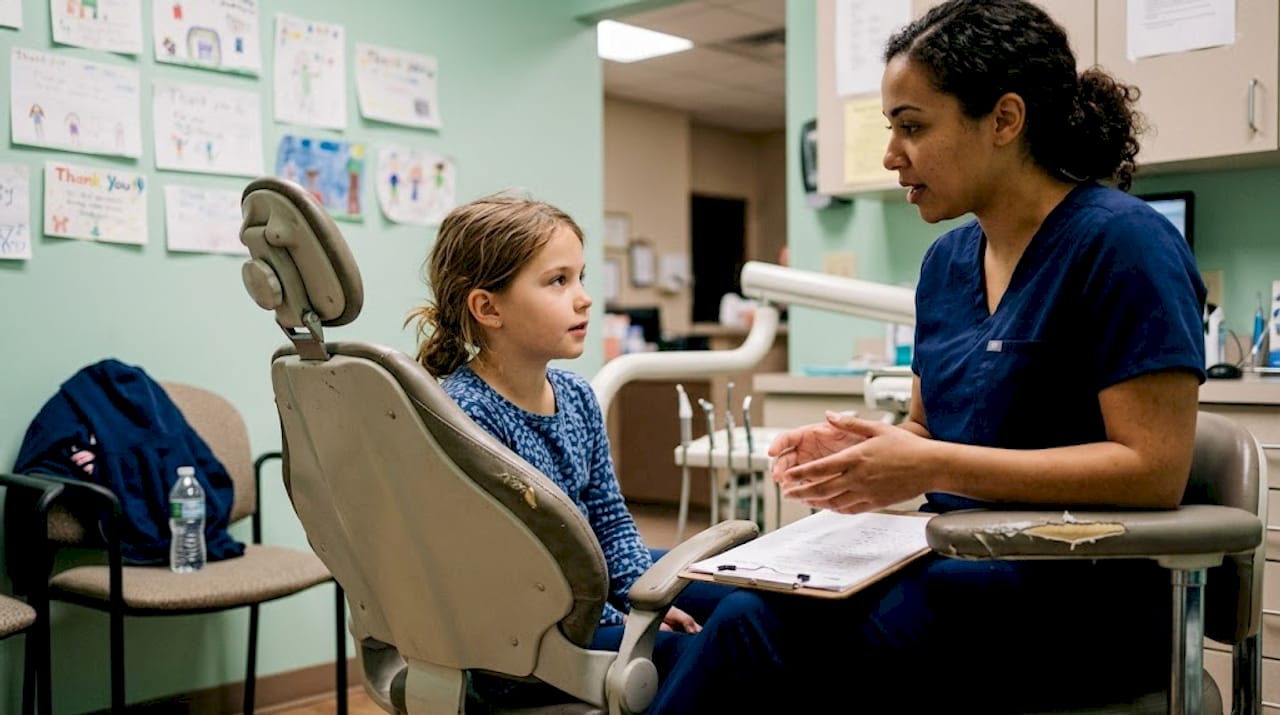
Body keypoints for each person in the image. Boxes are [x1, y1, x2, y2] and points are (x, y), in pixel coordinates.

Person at [654, 0, 1209, 711]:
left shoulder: (1123, 245)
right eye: (891, 129)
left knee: (746, 629)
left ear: (1005, 121)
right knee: (694, 598)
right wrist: (870, 451)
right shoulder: (947, 262)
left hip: (1068, 597)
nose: (891, 154)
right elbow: (926, 427)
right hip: (948, 562)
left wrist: (931, 463)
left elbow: (1153, 470)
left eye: (912, 126)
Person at [406, 192, 761, 710]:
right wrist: (632, 619)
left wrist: (645, 593)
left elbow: (610, 520)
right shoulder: (466, 416)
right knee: (711, 644)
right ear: (487, 307)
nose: (584, 298)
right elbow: (519, 574)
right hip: (521, 640)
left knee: (748, 599)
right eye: (557, 281)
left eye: (580, 277)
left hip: (582, 594)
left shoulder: (575, 397)